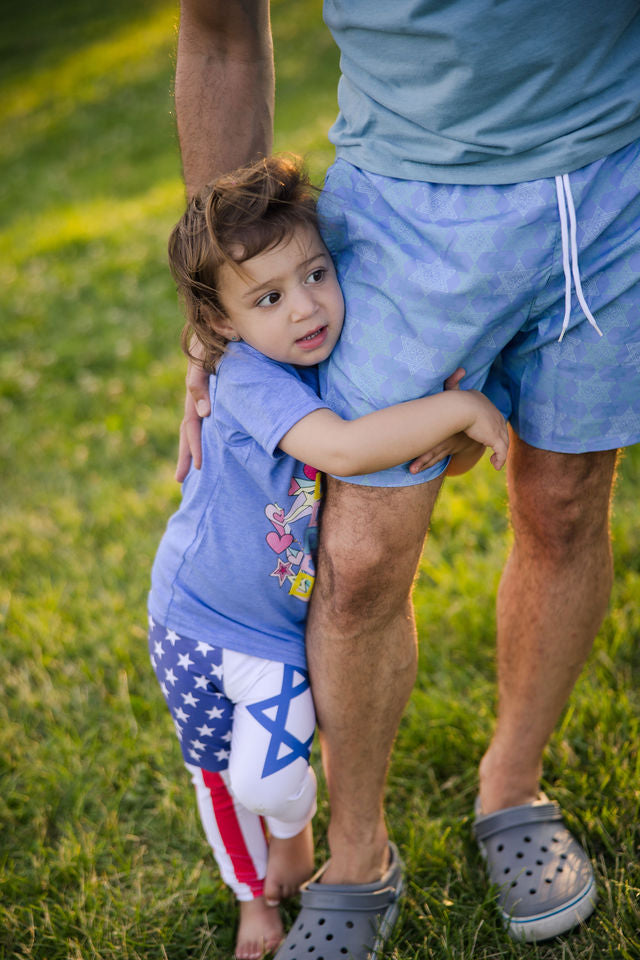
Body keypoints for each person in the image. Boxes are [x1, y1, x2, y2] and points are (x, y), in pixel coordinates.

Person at [173, 2, 640, 954]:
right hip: (413, 207)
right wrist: (221, 299)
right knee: (360, 556)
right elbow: (220, 33)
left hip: (617, 182)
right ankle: (357, 856)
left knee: (563, 505)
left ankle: (512, 787)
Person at [148, 155, 509, 960]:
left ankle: (295, 835)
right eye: (269, 297)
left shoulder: (320, 366)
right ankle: (252, 901)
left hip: (273, 636)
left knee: (265, 781)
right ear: (224, 326)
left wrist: (445, 430)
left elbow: (421, 463)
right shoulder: (247, 376)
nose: (306, 307)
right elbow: (344, 452)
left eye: (316, 274)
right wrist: (458, 407)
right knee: (213, 777)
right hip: (186, 620)